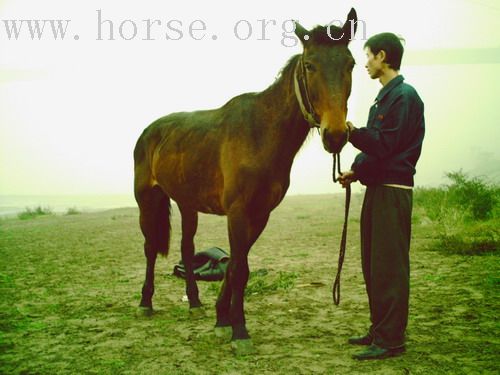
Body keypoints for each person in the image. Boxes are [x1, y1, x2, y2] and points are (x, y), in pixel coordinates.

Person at [338, 32, 425, 360]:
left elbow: (383, 145)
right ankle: (380, 330)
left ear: (383, 56)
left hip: (393, 191)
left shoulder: (403, 96)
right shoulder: (386, 97)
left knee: (388, 266)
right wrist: (357, 172)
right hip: (378, 188)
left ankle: (390, 340)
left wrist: (351, 133)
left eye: (370, 56)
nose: (366, 63)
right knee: (374, 265)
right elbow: (380, 148)